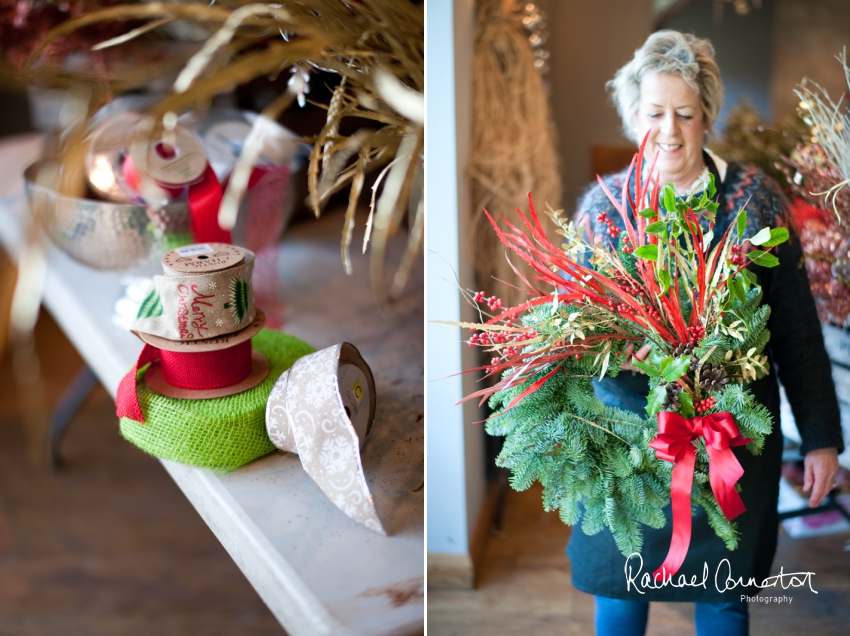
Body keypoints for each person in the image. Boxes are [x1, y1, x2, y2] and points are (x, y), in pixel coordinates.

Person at [569, 30, 844, 636]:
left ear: (707, 117)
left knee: (723, 597)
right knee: (619, 588)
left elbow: (796, 331)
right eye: (655, 114)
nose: (669, 131)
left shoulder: (755, 204)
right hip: (629, 445)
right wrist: (617, 355)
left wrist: (822, 437)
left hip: (733, 440)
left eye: (685, 115)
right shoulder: (603, 210)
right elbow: (572, 338)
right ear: (632, 117)